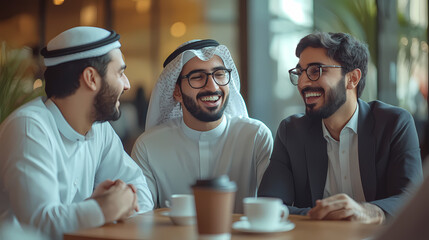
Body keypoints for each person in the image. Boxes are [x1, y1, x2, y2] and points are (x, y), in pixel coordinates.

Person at [0, 26, 154, 239]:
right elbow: (39, 224)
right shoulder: (29, 127)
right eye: (120, 72)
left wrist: (98, 206)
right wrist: (104, 209)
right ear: (91, 78)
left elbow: (141, 194)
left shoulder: (100, 129)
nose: (127, 84)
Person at [258, 32, 423, 224]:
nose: (303, 83)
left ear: (352, 78)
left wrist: (366, 211)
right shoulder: (292, 131)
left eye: (315, 71)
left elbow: (412, 202)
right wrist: (328, 215)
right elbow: (270, 204)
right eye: (300, 72)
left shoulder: (394, 124)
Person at [131, 39, 273, 213]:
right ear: (176, 92)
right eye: (197, 77)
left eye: (219, 74)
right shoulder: (148, 147)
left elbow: (271, 208)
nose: (212, 86)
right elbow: (140, 217)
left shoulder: (256, 136)